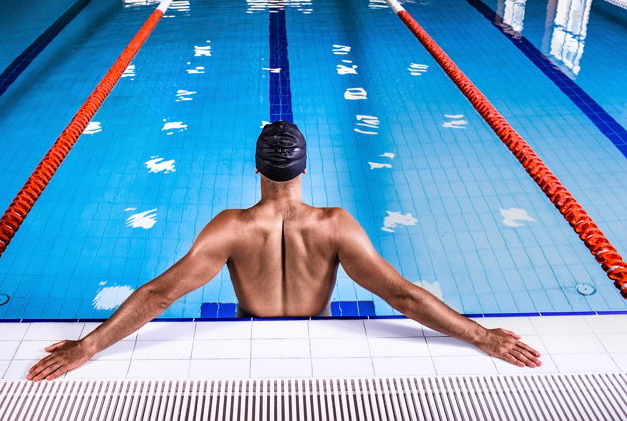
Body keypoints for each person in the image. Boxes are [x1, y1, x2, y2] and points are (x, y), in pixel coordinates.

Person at [28, 121, 541, 381]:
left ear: (257, 170)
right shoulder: (335, 225)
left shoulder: (229, 228)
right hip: (318, 336)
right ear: (304, 170)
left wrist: (88, 346)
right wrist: (484, 337)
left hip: (249, 333)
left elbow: (161, 294)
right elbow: (403, 296)